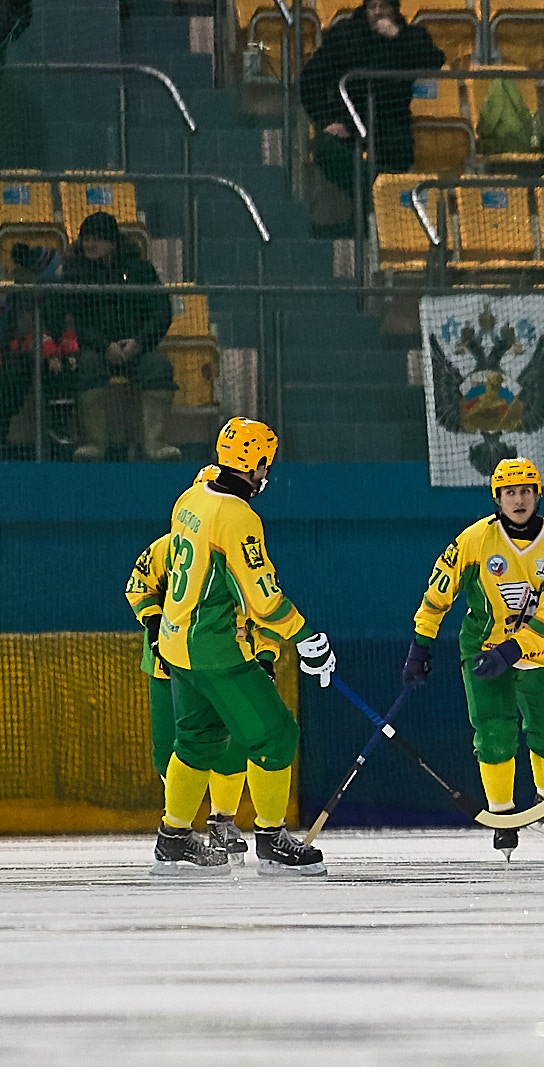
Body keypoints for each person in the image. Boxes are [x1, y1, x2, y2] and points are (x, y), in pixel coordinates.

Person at [151, 417, 336, 876]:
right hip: (216, 650)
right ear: (255, 463)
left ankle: (173, 839)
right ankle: (272, 840)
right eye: (264, 464)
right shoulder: (239, 517)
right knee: (277, 736)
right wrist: (306, 637)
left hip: (177, 645)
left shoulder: (189, 498)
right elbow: (263, 598)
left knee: (196, 741)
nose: (265, 473)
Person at [405, 457, 544, 861]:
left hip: (535, 649)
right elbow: (439, 593)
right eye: (509, 493)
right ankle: (503, 817)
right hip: (483, 650)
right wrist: (421, 644)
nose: (518, 500)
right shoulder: (473, 541)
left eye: (525, 491)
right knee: (493, 732)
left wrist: (515, 648)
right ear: (497, 499)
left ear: (538, 495)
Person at [126, 464, 261, 864]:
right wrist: (152, 622)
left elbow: (252, 605)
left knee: (228, 745)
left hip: (214, 660)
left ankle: (220, 821)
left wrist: (262, 653)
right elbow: (138, 584)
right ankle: (182, 827)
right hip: (170, 665)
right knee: (171, 749)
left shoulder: (229, 545)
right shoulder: (166, 547)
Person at [49, 213, 177, 463]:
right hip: (97, 349)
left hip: (136, 347)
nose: (89, 244)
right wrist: (103, 345)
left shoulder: (141, 270)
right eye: (86, 239)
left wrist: (138, 343)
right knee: (88, 368)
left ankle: (155, 445)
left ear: (112, 241)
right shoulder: (76, 273)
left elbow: (161, 313)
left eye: (96, 239)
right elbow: (75, 320)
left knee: (158, 367)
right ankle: (94, 444)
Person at [299, 0, 445, 197]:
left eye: (383, 6)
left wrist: (398, 37)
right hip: (347, 120)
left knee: (399, 150)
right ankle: (373, 195)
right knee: (327, 149)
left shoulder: (411, 36)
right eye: (372, 7)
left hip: (392, 122)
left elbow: (434, 61)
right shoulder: (344, 34)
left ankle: (376, 199)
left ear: (394, 8)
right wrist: (326, 120)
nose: (377, 12)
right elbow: (310, 79)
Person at [0, 243, 74, 458]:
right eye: (58, 267)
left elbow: (68, 328)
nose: (63, 271)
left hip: (52, 356)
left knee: (59, 376)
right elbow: (29, 330)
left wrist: (67, 352)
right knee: (11, 381)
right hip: (23, 356)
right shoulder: (23, 297)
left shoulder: (61, 297)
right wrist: (50, 353)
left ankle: (59, 427)